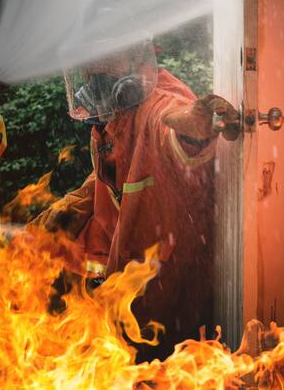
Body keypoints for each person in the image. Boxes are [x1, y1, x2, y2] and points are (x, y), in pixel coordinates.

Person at [33, 35, 240, 361]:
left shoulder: (156, 103)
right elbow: (116, 178)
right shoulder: (111, 122)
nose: (92, 78)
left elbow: (176, 124)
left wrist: (196, 122)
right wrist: (75, 203)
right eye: (87, 70)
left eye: (102, 63)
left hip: (167, 323)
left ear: (136, 61)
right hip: (122, 307)